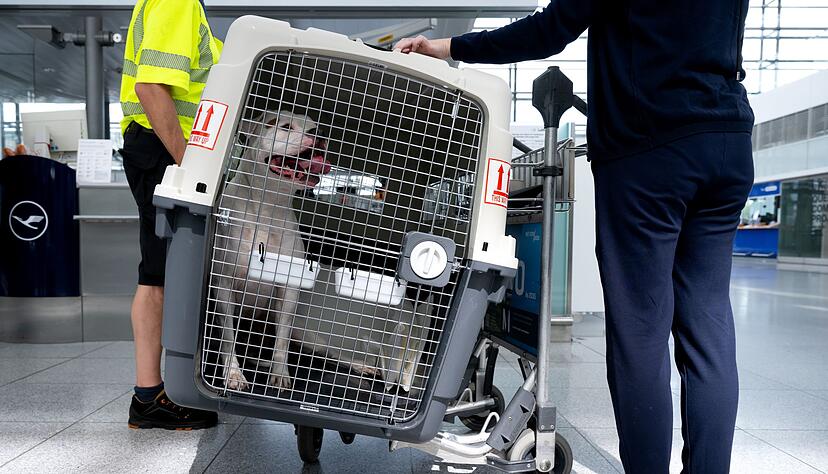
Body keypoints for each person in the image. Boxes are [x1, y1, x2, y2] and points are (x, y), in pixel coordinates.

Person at [397, 1, 753, 472]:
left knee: (641, 332)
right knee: (708, 327)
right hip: (725, 142)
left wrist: (445, 47)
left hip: (650, 148)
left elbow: (550, 30)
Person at [119, 0, 222, 430]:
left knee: (162, 273)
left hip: (158, 147)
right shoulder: (177, 2)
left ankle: (160, 391)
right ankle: (149, 397)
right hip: (163, 149)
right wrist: (186, 165)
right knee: (160, 275)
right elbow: (152, 89)